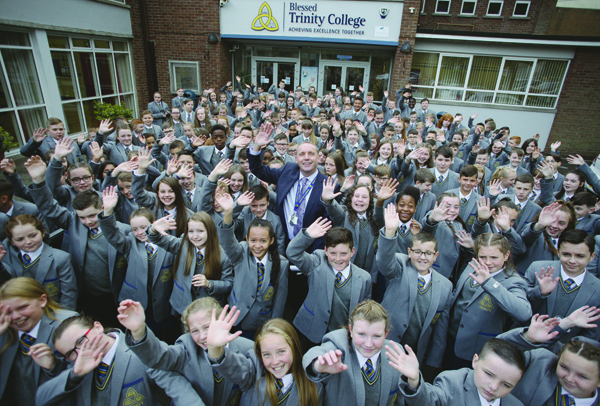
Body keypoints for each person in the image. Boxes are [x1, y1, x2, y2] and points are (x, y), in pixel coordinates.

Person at [25, 156, 129, 327]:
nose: (88, 221)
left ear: (102, 208)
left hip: (116, 294)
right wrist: (38, 180)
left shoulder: (122, 230)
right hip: (87, 296)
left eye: (92, 215)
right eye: (82, 217)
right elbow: (49, 206)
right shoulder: (72, 223)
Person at [120, 297, 254, 405]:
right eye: (194, 331)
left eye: (207, 327)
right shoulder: (187, 347)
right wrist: (139, 330)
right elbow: (160, 356)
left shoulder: (246, 348)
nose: (202, 336)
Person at [36, 314, 188, 405]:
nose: (81, 351)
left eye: (81, 341)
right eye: (71, 353)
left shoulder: (140, 353)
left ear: (97, 327)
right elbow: (41, 400)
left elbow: (180, 392)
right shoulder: (76, 368)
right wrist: (75, 374)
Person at [99, 187, 178, 344]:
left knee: (165, 339)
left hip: (163, 305)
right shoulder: (129, 244)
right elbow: (112, 234)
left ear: (154, 224)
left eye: (144, 227)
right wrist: (108, 212)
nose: (140, 232)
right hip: (138, 303)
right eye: (135, 229)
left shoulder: (168, 243)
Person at [378, 206, 452, 369]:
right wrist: (390, 232)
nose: (422, 257)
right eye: (417, 252)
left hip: (414, 354)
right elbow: (384, 261)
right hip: (386, 345)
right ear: (409, 252)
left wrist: (433, 361)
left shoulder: (446, 286)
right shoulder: (400, 266)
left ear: (435, 256)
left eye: (428, 253)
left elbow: (440, 328)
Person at [447, 233, 531, 368]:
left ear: (506, 255)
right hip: (451, 338)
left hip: (476, 349)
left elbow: (524, 313)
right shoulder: (473, 266)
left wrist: (489, 282)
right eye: (482, 257)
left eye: (494, 257)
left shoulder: (513, 281)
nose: (487, 262)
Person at [215, 188, 289, 337]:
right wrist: (229, 213)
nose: (257, 245)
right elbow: (227, 241)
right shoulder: (241, 252)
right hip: (235, 319)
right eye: (253, 240)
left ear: (271, 241)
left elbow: (279, 300)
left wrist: (273, 327)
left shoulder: (281, 263)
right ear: (247, 239)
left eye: (263, 241)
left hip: (261, 324)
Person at [286, 217, 371, 346]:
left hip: (342, 337)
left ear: (352, 252)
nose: (338, 259)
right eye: (333, 253)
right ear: (325, 251)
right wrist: (307, 235)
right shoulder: (317, 261)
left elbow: (364, 312)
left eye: (343, 254)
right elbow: (292, 253)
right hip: (310, 331)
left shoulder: (364, 278)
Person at [302, 300, 402, 406]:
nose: (368, 344)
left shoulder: (395, 353)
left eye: (376, 336)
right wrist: (318, 365)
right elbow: (312, 354)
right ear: (351, 330)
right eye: (361, 334)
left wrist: (414, 380)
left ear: (386, 334)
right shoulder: (338, 342)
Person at [0, 277, 77, 405]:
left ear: (42, 300)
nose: (15, 316)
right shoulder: (4, 329)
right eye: (7, 312)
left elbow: (81, 374)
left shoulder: (68, 325)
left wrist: (53, 366)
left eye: (23, 307)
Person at [498, 310, 600, 406]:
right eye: (564, 367)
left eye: (582, 376)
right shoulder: (539, 362)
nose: (569, 378)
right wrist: (528, 338)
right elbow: (497, 351)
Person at [391, 338, 526, 405]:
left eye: (506, 385)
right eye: (489, 374)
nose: (494, 387)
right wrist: (414, 381)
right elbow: (430, 401)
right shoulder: (452, 382)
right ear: (475, 361)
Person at [148, 211, 233, 315]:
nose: (195, 236)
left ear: (210, 231)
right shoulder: (183, 244)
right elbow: (158, 239)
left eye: (200, 231)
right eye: (191, 231)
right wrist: (153, 229)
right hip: (182, 306)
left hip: (208, 310)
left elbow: (228, 283)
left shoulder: (223, 255)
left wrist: (209, 284)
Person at [524, 229, 600, 341]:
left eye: (580, 256)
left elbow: (591, 334)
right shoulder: (538, 269)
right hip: (528, 342)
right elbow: (520, 307)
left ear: (592, 257)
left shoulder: (597, 289)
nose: (572, 261)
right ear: (558, 251)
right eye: (566, 254)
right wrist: (540, 292)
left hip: (565, 350)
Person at [1, 214, 77, 309]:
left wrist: (65, 319)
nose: (28, 242)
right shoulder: (6, 258)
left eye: (33, 235)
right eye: (20, 239)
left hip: (52, 313)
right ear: (12, 241)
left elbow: (69, 295)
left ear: (43, 232)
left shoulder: (60, 258)